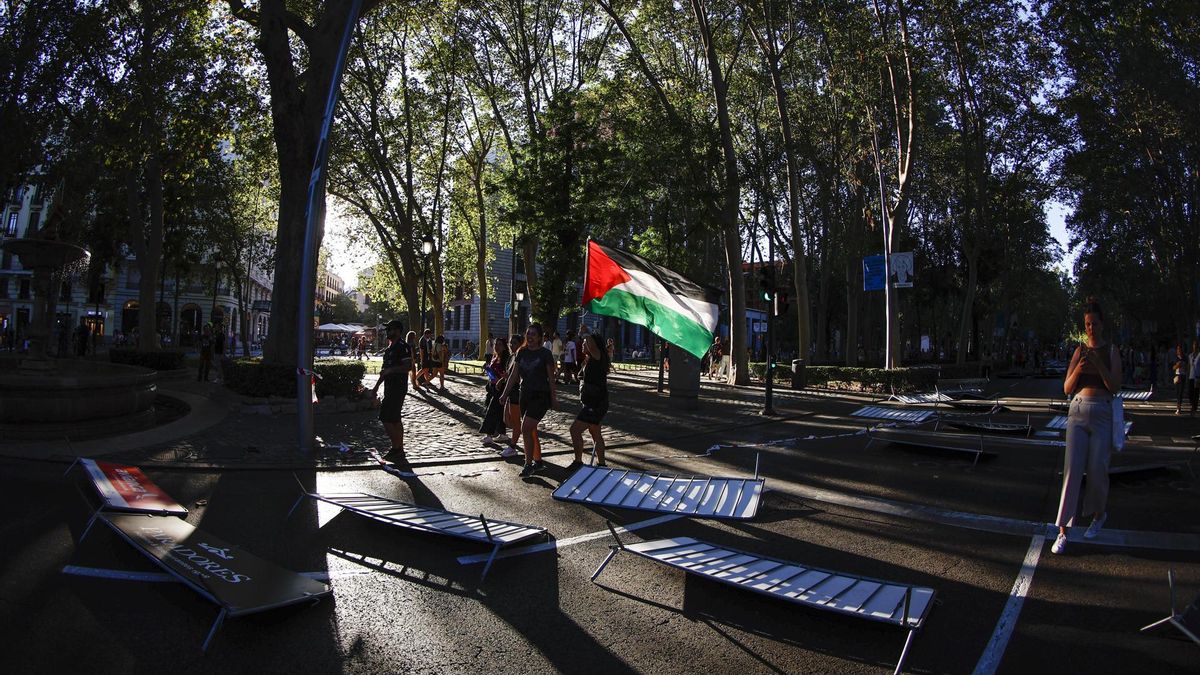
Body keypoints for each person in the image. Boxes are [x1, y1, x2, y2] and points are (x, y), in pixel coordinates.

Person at [1052, 297, 1121, 555]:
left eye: (1094, 324)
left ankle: (1098, 514)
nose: (1090, 328)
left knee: (1097, 469)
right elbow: (1067, 388)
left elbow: (1115, 386)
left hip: (1102, 411)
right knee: (1072, 471)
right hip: (1078, 411)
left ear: (1102, 325)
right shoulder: (1079, 351)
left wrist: (1100, 365)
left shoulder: (1112, 350)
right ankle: (1062, 531)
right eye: (1087, 324)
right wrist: (1079, 368)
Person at [500, 323, 558, 478]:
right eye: (528, 334)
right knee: (531, 430)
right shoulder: (521, 352)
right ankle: (538, 462)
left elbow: (551, 379)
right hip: (524, 395)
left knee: (526, 428)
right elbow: (513, 375)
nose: (530, 337)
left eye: (533, 334)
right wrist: (504, 394)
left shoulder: (545, 354)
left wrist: (554, 398)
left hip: (541, 397)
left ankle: (528, 464)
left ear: (539, 337)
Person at [371, 319, 413, 458]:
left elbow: (408, 366)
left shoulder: (403, 346)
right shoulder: (389, 349)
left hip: (398, 387)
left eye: (391, 329)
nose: (388, 331)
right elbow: (384, 371)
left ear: (398, 331)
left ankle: (396, 448)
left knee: (385, 417)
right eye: (387, 329)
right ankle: (399, 448)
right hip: (389, 387)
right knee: (395, 419)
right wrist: (376, 387)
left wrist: (391, 370)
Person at [570, 331, 611, 470]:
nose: (583, 344)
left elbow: (593, 347)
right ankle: (602, 464)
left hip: (595, 403)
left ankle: (578, 461)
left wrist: (586, 333)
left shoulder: (597, 356)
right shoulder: (591, 358)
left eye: (586, 342)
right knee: (595, 432)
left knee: (574, 430)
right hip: (593, 402)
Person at [480, 337, 518, 458]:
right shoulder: (495, 356)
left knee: (492, 410)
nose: (497, 346)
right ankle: (502, 433)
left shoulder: (507, 358)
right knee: (498, 412)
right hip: (493, 387)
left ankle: (489, 434)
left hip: (501, 388)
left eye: (500, 344)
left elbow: (508, 374)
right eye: (496, 344)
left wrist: (500, 378)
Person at [503, 334, 525, 454]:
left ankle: (513, 446)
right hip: (510, 391)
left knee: (516, 421)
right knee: (507, 419)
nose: (511, 345)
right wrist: (503, 380)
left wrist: (511, 378)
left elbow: (519, 377)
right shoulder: (512, 357)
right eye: (510, 343)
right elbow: (509, 374)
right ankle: (520, 433)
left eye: (514, 343)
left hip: (517, 392)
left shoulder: (521, 358)